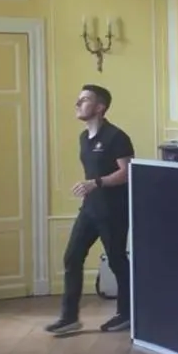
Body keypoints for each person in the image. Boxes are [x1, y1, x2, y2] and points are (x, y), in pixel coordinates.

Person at [46, 84, 134, 335]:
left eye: (84, 99)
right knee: (72, 257)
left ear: (100, 107)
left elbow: (127, 173)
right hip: (90, 209)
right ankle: (69, 318)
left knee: (117, 261)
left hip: (113, 210)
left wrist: (95, 183)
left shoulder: (116, 137)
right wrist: (90, 188)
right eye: (79, 99)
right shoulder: (84, 138)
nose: (78, 103)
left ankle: (127, 314)